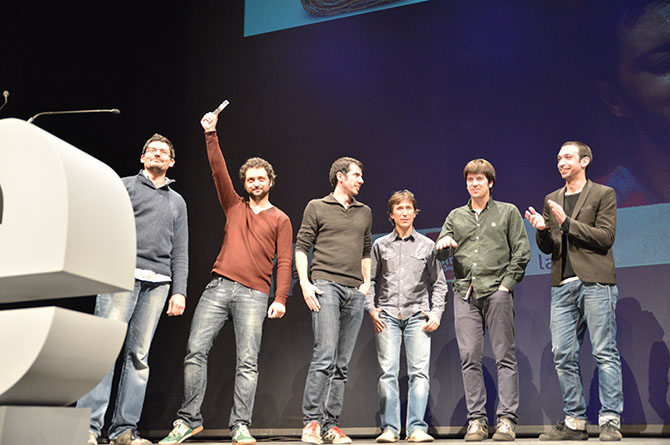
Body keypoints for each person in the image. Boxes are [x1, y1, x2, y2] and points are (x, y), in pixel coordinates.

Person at [158, 112, 293, 445]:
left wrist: (280, 298)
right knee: (195, 351)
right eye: (250, 179)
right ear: (244, 184)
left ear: (270, 182)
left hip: (255, 294)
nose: (256, 183)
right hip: (218, 288)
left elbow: (285, 261)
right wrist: (211, 134)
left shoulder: (281, 219)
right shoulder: (234, 206)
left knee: (247, 363)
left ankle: (240, 426)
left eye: (261, 179)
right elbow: (218, 170)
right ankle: (189, 420)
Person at [77, 133, 189, 445]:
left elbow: (181, 250)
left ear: (171, 162)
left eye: (163, 152)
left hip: (158, 283)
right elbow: (104, 229)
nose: (157, 154)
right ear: (142, 158)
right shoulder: (124, 187)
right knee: (104, 350)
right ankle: (88, 428)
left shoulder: (177, 202)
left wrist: (179, 290)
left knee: (139, 357)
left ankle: (124, 430)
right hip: (120, 276)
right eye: (151, 150)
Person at [525, 141, 623, 441]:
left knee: (604, 351)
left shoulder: (603, 194)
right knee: (563, 354)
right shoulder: (552, 198)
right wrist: (542, 230)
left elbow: (605, 237)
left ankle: (610, 421)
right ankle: (575, 422)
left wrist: (567, 222)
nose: (561, 162)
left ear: (584, 161)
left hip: (595, 282)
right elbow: (549, 248)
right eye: (558, 158)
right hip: (562, 285)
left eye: (568, 157)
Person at [436, 159, 530, 442]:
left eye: (479, 179)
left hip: (496, 292)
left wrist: (505, 287)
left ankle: (506, 420)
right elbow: (441, 252)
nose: (474, 183)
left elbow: (521, 252)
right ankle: (476, 420)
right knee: (469, 358)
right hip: (465, 293)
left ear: (490, 182)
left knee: (504, 357)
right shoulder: (455, 216)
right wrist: (442, 246)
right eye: (470, 179)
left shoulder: (508, 212)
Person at [296, 157, 372, 444]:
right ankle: (311, 423)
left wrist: (366, 284)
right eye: (357, 175)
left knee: (342, 363)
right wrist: (305, 283)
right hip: (326, 286)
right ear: (341, 177)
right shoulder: (317, 206)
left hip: (354, 292)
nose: (361, 180)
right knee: (324, 355)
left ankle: (331, 425)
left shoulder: (365, 212)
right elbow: (302, 246)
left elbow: (366, 250)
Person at [365, 190, 447, 443]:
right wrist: (371, 308)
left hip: (417, 315)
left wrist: (436, 312)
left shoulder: (427, 245)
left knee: (419, 374)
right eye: (399, 208)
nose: (404, 212)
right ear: (391, 215)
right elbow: (369, 280)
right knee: (387, 373)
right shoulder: (380, 245)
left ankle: (416, 429)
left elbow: (439, 283)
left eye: (408, 208)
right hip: (387, 315)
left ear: (414, 212)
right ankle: (390, 429)